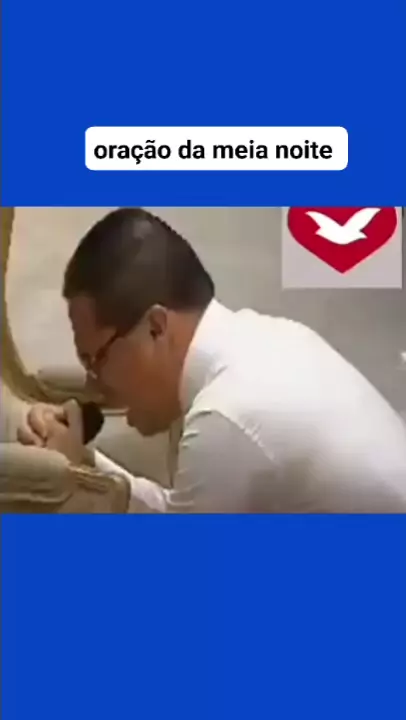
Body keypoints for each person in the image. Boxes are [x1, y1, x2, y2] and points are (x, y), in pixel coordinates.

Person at [18, 208, 406, 513]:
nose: (94, 384)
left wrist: (77, 479)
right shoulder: (268, 338)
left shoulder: (227, 415)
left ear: (155, 327)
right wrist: (83, 462)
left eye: (96, 359)